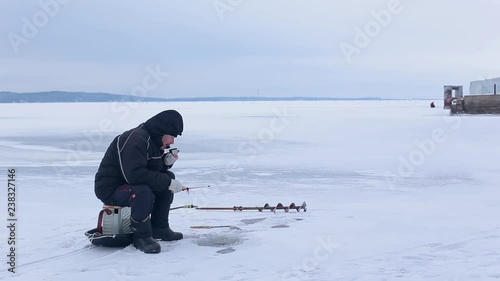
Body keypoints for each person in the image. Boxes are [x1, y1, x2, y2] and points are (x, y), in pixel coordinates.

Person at [94, 110, 185, 254]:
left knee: (168, 176)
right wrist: (166, 182)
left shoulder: (153, 141)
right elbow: (134, 175)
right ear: (163, 131)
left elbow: (149, 169)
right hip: (110, 188)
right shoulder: (136, 139)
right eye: (172, 137)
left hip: (128, 184)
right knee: (143, 191)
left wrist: (165, 163)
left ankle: (159, 228)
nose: (172, 142)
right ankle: (141, 236)